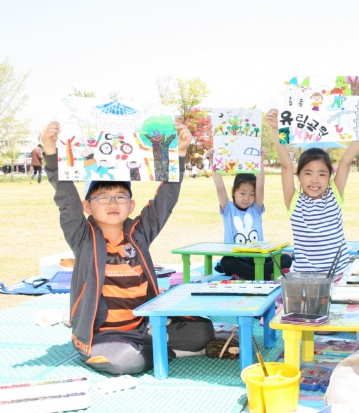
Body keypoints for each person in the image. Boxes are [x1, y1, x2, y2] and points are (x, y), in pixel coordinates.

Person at [40, 121, 215, 376]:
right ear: (87, 206)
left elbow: (165, 200)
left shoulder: (139, 233)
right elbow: (65, 197)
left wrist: (179, 153)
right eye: (103, 197)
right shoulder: (83, 236)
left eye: (120, 197)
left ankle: (154, 345)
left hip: (142, 327)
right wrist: (51, 152)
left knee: (203, 331)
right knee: (125, 361)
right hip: (102, 336)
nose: (112, 202)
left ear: (131, 205)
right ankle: (158, 351)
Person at [267, 107, 359, 277]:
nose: (315, 180)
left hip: (338, 275)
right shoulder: (294, 202)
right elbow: (286, 165)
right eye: (308, 173)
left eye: (322, 174)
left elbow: (346, 160)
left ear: (330, 177)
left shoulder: (333, 196)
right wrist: (277, 129)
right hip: (304, 279)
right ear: (298, 176)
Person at [205, 147, 292, 280]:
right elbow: (220, 187)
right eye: (242, 193)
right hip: (236, 259)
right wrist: (212, 162)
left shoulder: (255, 208)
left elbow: (260, 187)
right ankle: (263, 275)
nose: (247, 198)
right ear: (234, 191)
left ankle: (249, 275)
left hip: (258, 258)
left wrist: (261, 162)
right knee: (226, 262)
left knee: (285, 258)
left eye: (251, 194)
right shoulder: (228, 209)